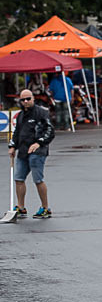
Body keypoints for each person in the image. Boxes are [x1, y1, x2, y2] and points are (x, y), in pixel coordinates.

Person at [7, 89, 55, 218]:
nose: (26, 101)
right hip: (23, 151)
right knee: (19, 179)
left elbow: (50, 131)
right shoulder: (20, 115)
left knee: (38, 180)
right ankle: (21, 207)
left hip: (37, 152)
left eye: (28, 99)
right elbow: (17, 132)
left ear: (33, 98)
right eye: (23, 100)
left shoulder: (41, 112)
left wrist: (39, 143)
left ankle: (45, 208)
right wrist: (12, 146)